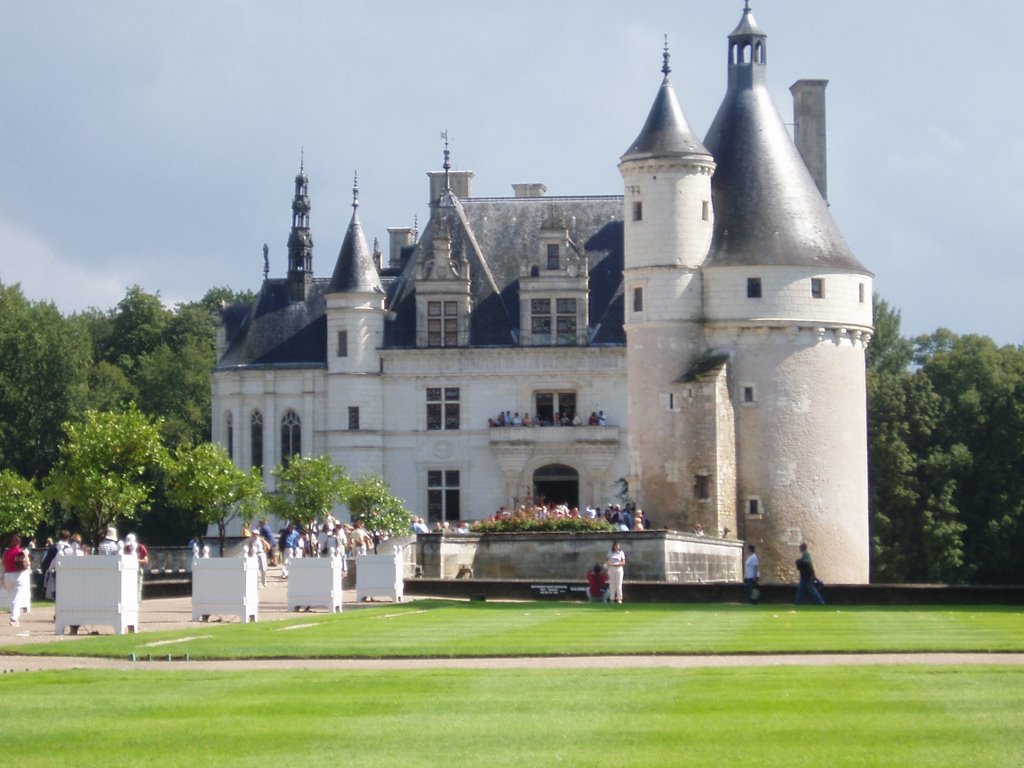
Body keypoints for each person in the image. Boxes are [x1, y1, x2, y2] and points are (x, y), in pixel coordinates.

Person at [2, 534, 32, 626]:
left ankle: (14, 615)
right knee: (16, 598)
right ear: (19, 542)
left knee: (12, 597)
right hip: (18, 576)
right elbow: (28, 563)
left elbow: (3, 563)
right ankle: (14, 619)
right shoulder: (21, 551)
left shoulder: (6, 552)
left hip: (7, 576)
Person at [124, 533, 149, 602]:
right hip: (128, 569)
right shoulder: (126, 548)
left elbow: (146, 560)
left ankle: (137, 600)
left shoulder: (141, 547)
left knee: (138, 585)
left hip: (138, 568)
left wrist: (136, 560)